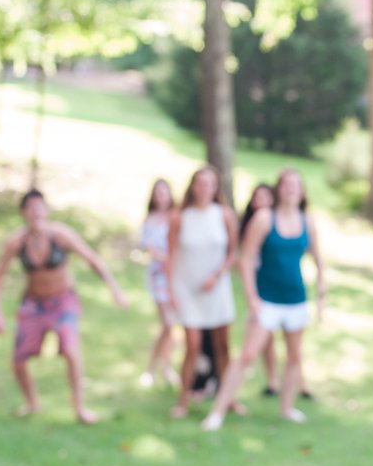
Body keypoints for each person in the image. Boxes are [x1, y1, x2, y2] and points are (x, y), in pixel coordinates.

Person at [0, 189, 129, 424]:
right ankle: (32, 403)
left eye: (40, 207)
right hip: (33, 303)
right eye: (30, 208)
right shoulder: (16, 241)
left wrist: (116, 290)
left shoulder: (61, 236)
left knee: (70, 351)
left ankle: (80, 408)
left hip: (63, 301)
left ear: (47, 210)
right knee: (18, 360)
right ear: (23, 212)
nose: (35, 213)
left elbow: (94, 261)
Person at [202, 168, 326, 429]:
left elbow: (318, 260)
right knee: (247, 355)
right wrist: (252, 297)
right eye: (286, 184)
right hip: (267, 299)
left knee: (294, 356)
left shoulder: (308, 221)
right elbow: (245, 259)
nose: (291, 188)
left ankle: (287, 408)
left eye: (296, 184)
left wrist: (322, 294)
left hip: (296, 299)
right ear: (278, 189)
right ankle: (218, 412)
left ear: (302, 191)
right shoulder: (264, 219)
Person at [166, 165, 239, 419]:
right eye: (200, 183)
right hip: (187, 289)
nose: (204, 188)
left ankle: (229, 398)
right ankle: (183, 400)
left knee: (223, 346)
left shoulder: (224, 215)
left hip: (217, 290)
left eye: (209, 183)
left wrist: (217, 275)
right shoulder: (180, 217)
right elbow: (171, 256)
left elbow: (232, 252)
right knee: (193, 345)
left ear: (216, 187)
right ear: (192, 186)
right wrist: (171, 291)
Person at [138, 179, 181, 389]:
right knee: (167, 324)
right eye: (158, 193)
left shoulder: (176, 217)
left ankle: (164, 367)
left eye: (165, 192)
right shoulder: (150, 219)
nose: (161, 197)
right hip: (157, 276)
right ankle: (153, 368)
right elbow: (148, 248)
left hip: (174, 275)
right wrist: (163, 259)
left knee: (169, 326)